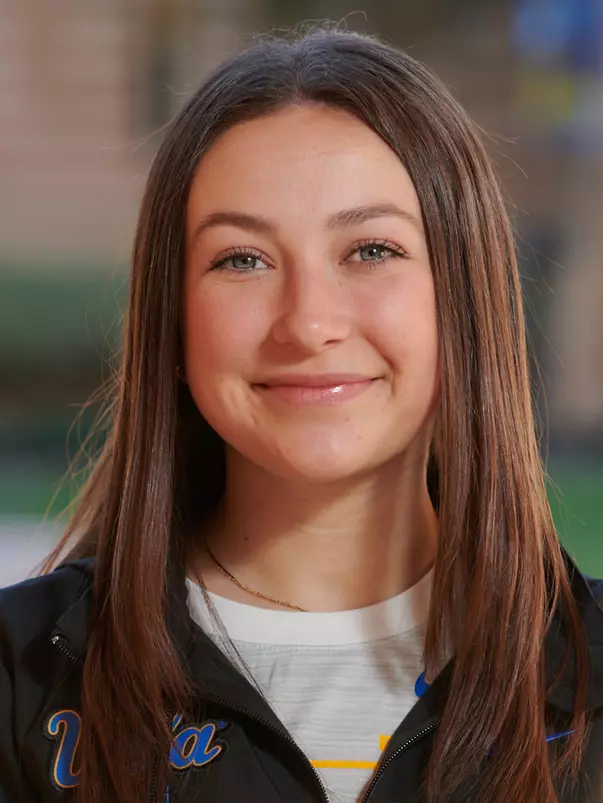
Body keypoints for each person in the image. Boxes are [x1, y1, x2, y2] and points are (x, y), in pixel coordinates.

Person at [1, 27, 602, 803]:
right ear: (173, 322)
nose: (308, 322)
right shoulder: (22, 680)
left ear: (463, 296)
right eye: (241, 259)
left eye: (370, 250)